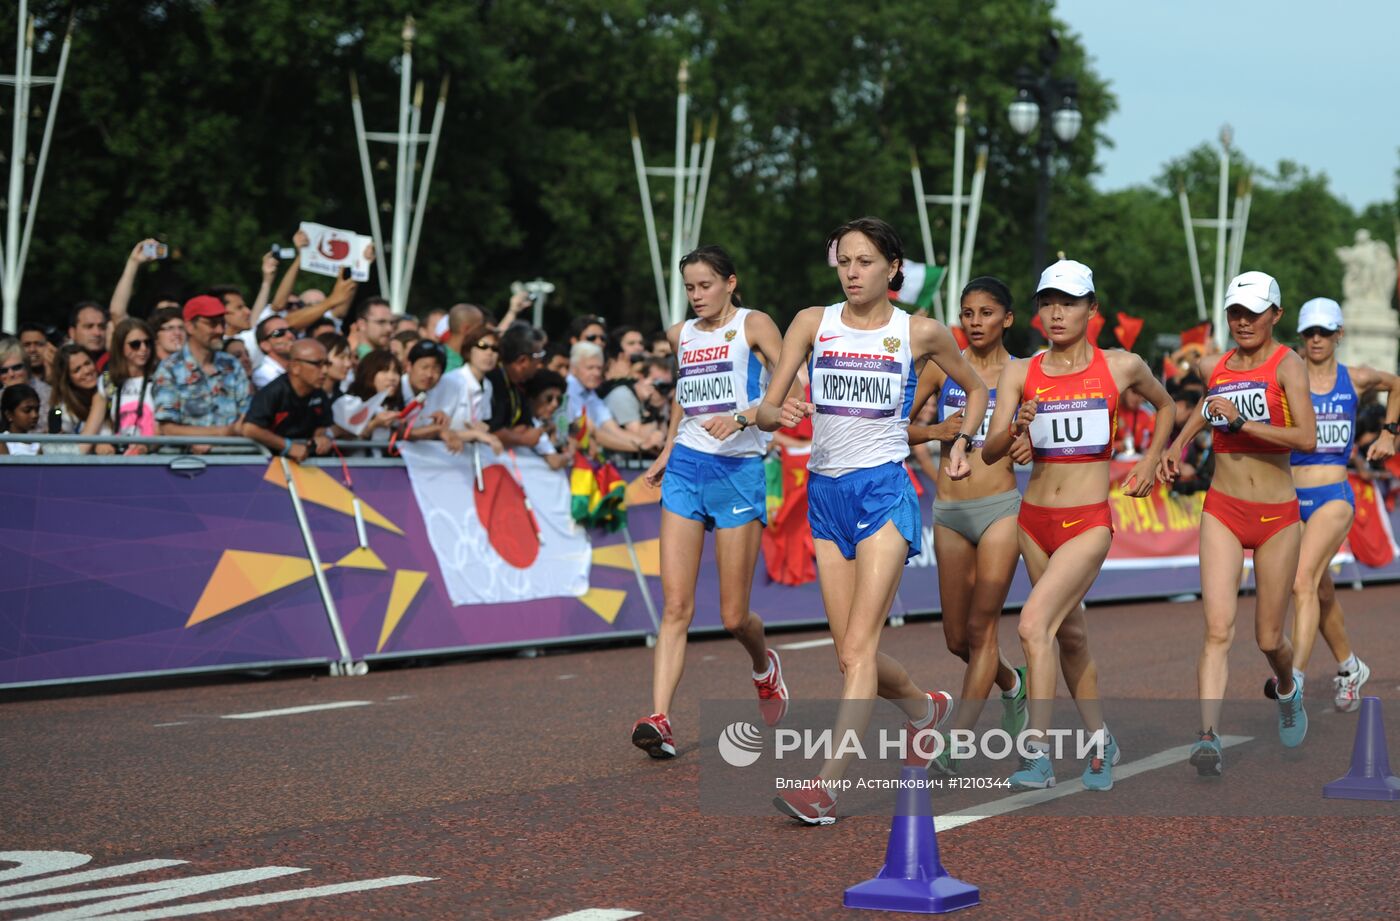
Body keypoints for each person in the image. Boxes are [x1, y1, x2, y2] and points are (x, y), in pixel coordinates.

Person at [757, 217, 986, 825]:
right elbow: (765, 407)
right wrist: (777, 412)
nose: (852, 273)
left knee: (859, 649)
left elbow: (978, 390)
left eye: (863, 262)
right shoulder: (812, 322)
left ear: (891, 268)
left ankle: (826, 786)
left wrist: (961, 442)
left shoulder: (922, 331)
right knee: (847, 653)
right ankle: (923, 708)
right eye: (844, 262)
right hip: (826, 494)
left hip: (885, 489)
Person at [982, 259, 1172, 791]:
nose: (1056, 312)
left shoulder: (1122, 366)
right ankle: (1100, 740)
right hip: (1033, 520)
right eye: (1047, 302)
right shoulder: (1022, 371)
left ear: (1092, 308)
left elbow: (1167, 405)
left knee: (1031, 625)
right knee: (1070, 636)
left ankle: (1037, 753)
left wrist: (1151, 459)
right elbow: (994, 450)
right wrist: (1014, 426)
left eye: (1068, 302)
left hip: (1088, 522)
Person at [632, 245, 792, 761]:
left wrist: (744, 418)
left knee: (732, 616)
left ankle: (763, 665)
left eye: (705, 285)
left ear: (730, 282)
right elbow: (685, 396)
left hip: (739, 474)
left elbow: (790, 392)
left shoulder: (755, 324)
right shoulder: (680, 335)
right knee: (676, 606)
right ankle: (660, 717)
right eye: (689, 287)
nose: (696, 296)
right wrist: (665, 448)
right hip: (685, 470)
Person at [1159, 271, 1317, 777]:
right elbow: (1208, 411)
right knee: (1217, 628)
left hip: (1276, 516)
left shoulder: (1287, 364)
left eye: (1253, 312)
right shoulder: (1216, 364)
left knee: (1269, 639)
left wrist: (1243, 422)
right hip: (1223, 508)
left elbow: (1307, 438)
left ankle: (1288, 688)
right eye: (1235, 312)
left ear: (1276, 314)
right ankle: (1207, 736)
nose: (1243, 321)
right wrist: (1176, 445)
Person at [906, 277, 1032, 774]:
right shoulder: (942, 367)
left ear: (1008, 319)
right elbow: (899, 425)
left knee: (982, 628)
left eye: (986, 313)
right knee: (957, 639)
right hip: (950, 513)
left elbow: (1044, 434)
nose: (975, 322)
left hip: (1000, 506)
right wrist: (938, 430)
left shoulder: (1023, 371)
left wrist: (1030, 443)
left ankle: (956, 741)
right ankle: (1011, 684)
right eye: (967, 313)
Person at [1286, 297, 1400, 712]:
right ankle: (1350, 667)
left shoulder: (1355, 379)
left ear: (1339, 335)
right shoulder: (1287, 377)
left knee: (1301, 581)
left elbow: (1397, 383)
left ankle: (1292, 681)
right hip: (1289, 496)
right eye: (1310, 332)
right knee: (1319, 589)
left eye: (1325, 332)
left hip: (1334, 495)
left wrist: (1390, 433)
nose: (1317, 339)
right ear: (1301, 336)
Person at [151, 295, 252, 453]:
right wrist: (221, 433)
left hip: (233, 463)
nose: (219, 330)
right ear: (190, 327)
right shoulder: (170, 368)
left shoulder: (232, 365)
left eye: (222, 323)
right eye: (212, 324)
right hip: (184, 465)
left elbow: (247, 415)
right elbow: (167, 428)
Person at [242, 339, 335, 462]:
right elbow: (250, 428)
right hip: (268, 466)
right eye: (317, 364)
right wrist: (288, 446)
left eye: (326, 364)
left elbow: (322, 425)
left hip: (305, 466)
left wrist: (322, 438)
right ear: (295, 367)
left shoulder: (319, 393)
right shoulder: (274, 392)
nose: (325, 371)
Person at [566, 341, 660, 454]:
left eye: (599, 368)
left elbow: (612, 430)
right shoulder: (568, 390)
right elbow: (594, 433)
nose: (596, 373)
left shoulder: (590, 392)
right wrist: (643, 447)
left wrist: (647, 444)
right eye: (590, 368)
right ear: (573, 368)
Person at [103, 318, 159, 453]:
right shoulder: (107, 380)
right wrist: (101, 444)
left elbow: (164, 426)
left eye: (148, 343)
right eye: (135, 344)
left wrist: (143, 448)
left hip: (152, 456)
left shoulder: (160, 379)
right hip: (118, 456)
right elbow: (98, 423)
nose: (144, 349)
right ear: (120, 346)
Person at [47, 344, 113, 455]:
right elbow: (57, 449)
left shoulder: (109, 388)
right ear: (67, 379)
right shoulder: (58, 411)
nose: (87, 371)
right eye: (77, 370)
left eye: (87, 363)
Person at [252, 315, 294, 388]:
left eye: (291, 330)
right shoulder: (263, 374)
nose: (290, 335)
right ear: (265, 345)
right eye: (279, 333)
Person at [67, 301, 110, 373]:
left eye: (102, 327)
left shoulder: (118, 360)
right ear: (72, 333)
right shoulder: (61, 366)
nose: (97, 333)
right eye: (89, 327)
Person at [0, 383, 41, 455]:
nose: (35, 415)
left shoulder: (40, 443)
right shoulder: (3, 442)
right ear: (9, 415)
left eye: (37, 410)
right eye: (27, 410)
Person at [317, 333, 354, 399]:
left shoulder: (344, 400)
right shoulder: (308, 398)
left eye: (349, 357)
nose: (348, 364)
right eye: (341, 357)